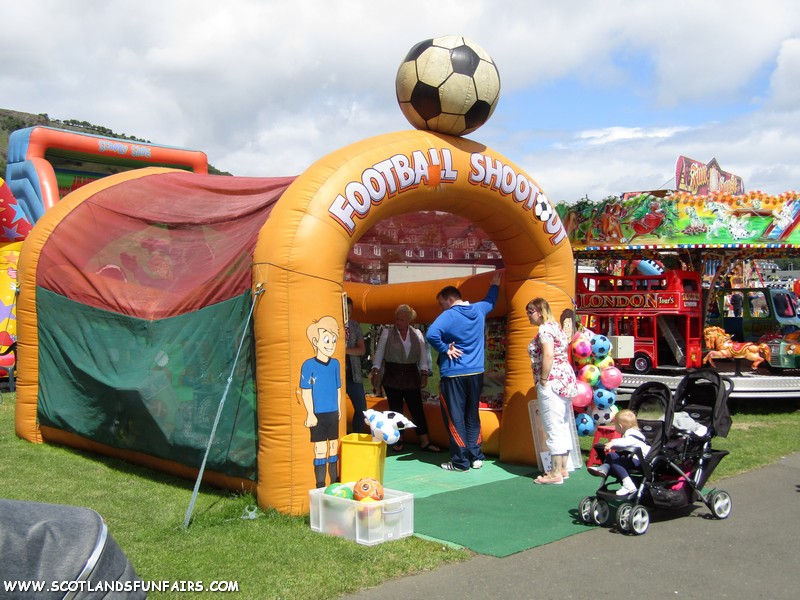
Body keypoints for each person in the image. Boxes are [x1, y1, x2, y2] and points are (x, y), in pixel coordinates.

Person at [426, 271, 501, 472]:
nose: (441, 307)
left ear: (450, 299)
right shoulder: (478, 310)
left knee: (455, 417)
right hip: (476, 372)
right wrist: (494, 285)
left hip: (454, 374)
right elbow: (490, 301)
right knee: (472, 415)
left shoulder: (449, 315)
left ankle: (460, 462)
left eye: (442, 303)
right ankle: (476, 456)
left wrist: (445, 348)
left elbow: (431, 334)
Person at [370, 304, 440, 453]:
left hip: (410, 375)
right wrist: (375, 370)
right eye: (397, 319)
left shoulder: (417, 334)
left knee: (417, 409)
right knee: (395, 411)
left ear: (409, 320)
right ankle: (398, 439)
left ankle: (424, 441)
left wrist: (424, 374)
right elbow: (380, 352)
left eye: (402, 320)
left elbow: (422, 357)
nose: (398, 322)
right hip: (392, 375)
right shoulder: (387, 332)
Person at [527, 297, 578, 485]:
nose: (528, 316)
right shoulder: (556, 327)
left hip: (552, 381)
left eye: (530, 312)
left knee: (552, 425)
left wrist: (543, 379)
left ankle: (554, 472)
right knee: (562, 423)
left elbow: (548, 354)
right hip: (565, 379)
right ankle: (562, 467)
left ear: (540, 311)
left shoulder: (545, 330)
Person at [587, 408, 652, 495]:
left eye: (615, 425)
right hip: (630, 457)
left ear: (620, 426)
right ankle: (604, 468)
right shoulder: (629, 433)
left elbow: (628, 442)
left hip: (638, 460)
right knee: (611, 455)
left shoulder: (633, 433)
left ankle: (629, 485)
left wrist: (613, 442)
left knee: (616, 463)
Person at [344, 297, 368, 434]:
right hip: (337, 375)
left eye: (350, 312)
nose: (348, 315)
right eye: (346, 311)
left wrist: (344, 350)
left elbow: (362, 350)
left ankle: (357, 434)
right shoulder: (332, 324)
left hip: (354, 375)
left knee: (361, 408)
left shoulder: (355, 326)